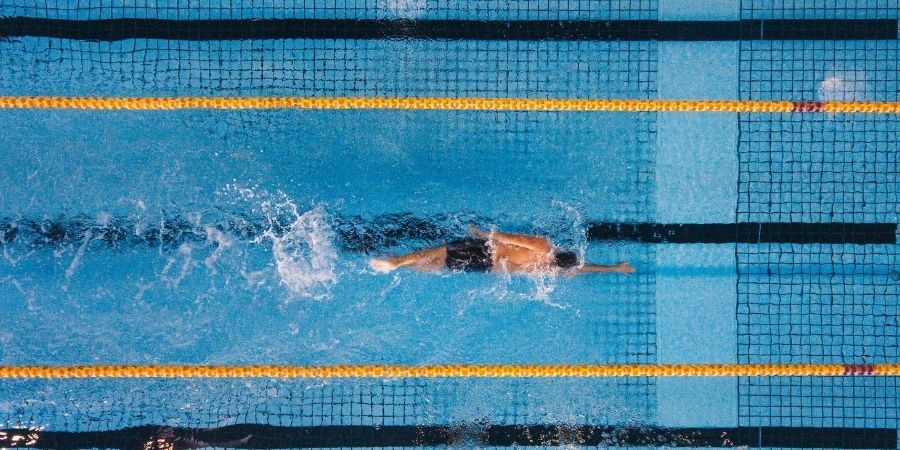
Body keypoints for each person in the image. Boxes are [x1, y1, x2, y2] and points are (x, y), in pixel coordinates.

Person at [369, 226, 635, 275]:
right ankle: (401, 265)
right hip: (486, 268)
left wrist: (485, 234)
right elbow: (581, 269)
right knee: (433, 266)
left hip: (487, 253)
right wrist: (612, 268)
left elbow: (514, 238)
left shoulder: (544, 247)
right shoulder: (548, 268)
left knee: (438, 252)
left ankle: (397, 261)